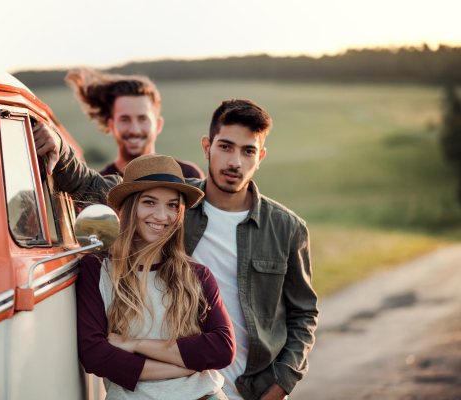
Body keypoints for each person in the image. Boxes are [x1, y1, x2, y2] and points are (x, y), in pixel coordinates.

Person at [35, 99, 319, 400]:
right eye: (225, 146)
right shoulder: (173, 201)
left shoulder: (287, 228)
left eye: (248, 150)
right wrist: (59, 150)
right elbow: (91, 183)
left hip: (250, 389)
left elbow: (303, 313)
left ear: (260, 156)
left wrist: (282, 384)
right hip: (172, 383)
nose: (235, 161)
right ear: (207, 147)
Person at [77, 153, 236, 399]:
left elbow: (222, 349)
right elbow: (95, 355)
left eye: (173, 205)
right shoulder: (96, 270)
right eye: (149, 202)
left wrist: (135, 344)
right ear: (128, 207)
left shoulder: (197, 275)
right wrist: (182, 366)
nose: (162, 216)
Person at [62, 68, 204, 178]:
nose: (134, 130)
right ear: (111, 126)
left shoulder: (187, 176)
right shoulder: (96, 185)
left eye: (143, 119)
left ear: (158, 125)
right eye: (125, 119)